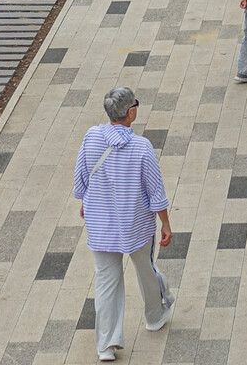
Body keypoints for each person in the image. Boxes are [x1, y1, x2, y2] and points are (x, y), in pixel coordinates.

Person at [74, 87, 175, 363]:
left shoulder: (91, 137)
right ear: (130, 112)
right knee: (145, 269)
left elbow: (81, 177)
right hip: (136, 226)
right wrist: (165, 223)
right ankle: (154, 316)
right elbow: (156, 192)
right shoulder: (141, 147)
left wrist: (86, 202)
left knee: (106, 282)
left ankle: (106, 344)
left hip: (101, 226)